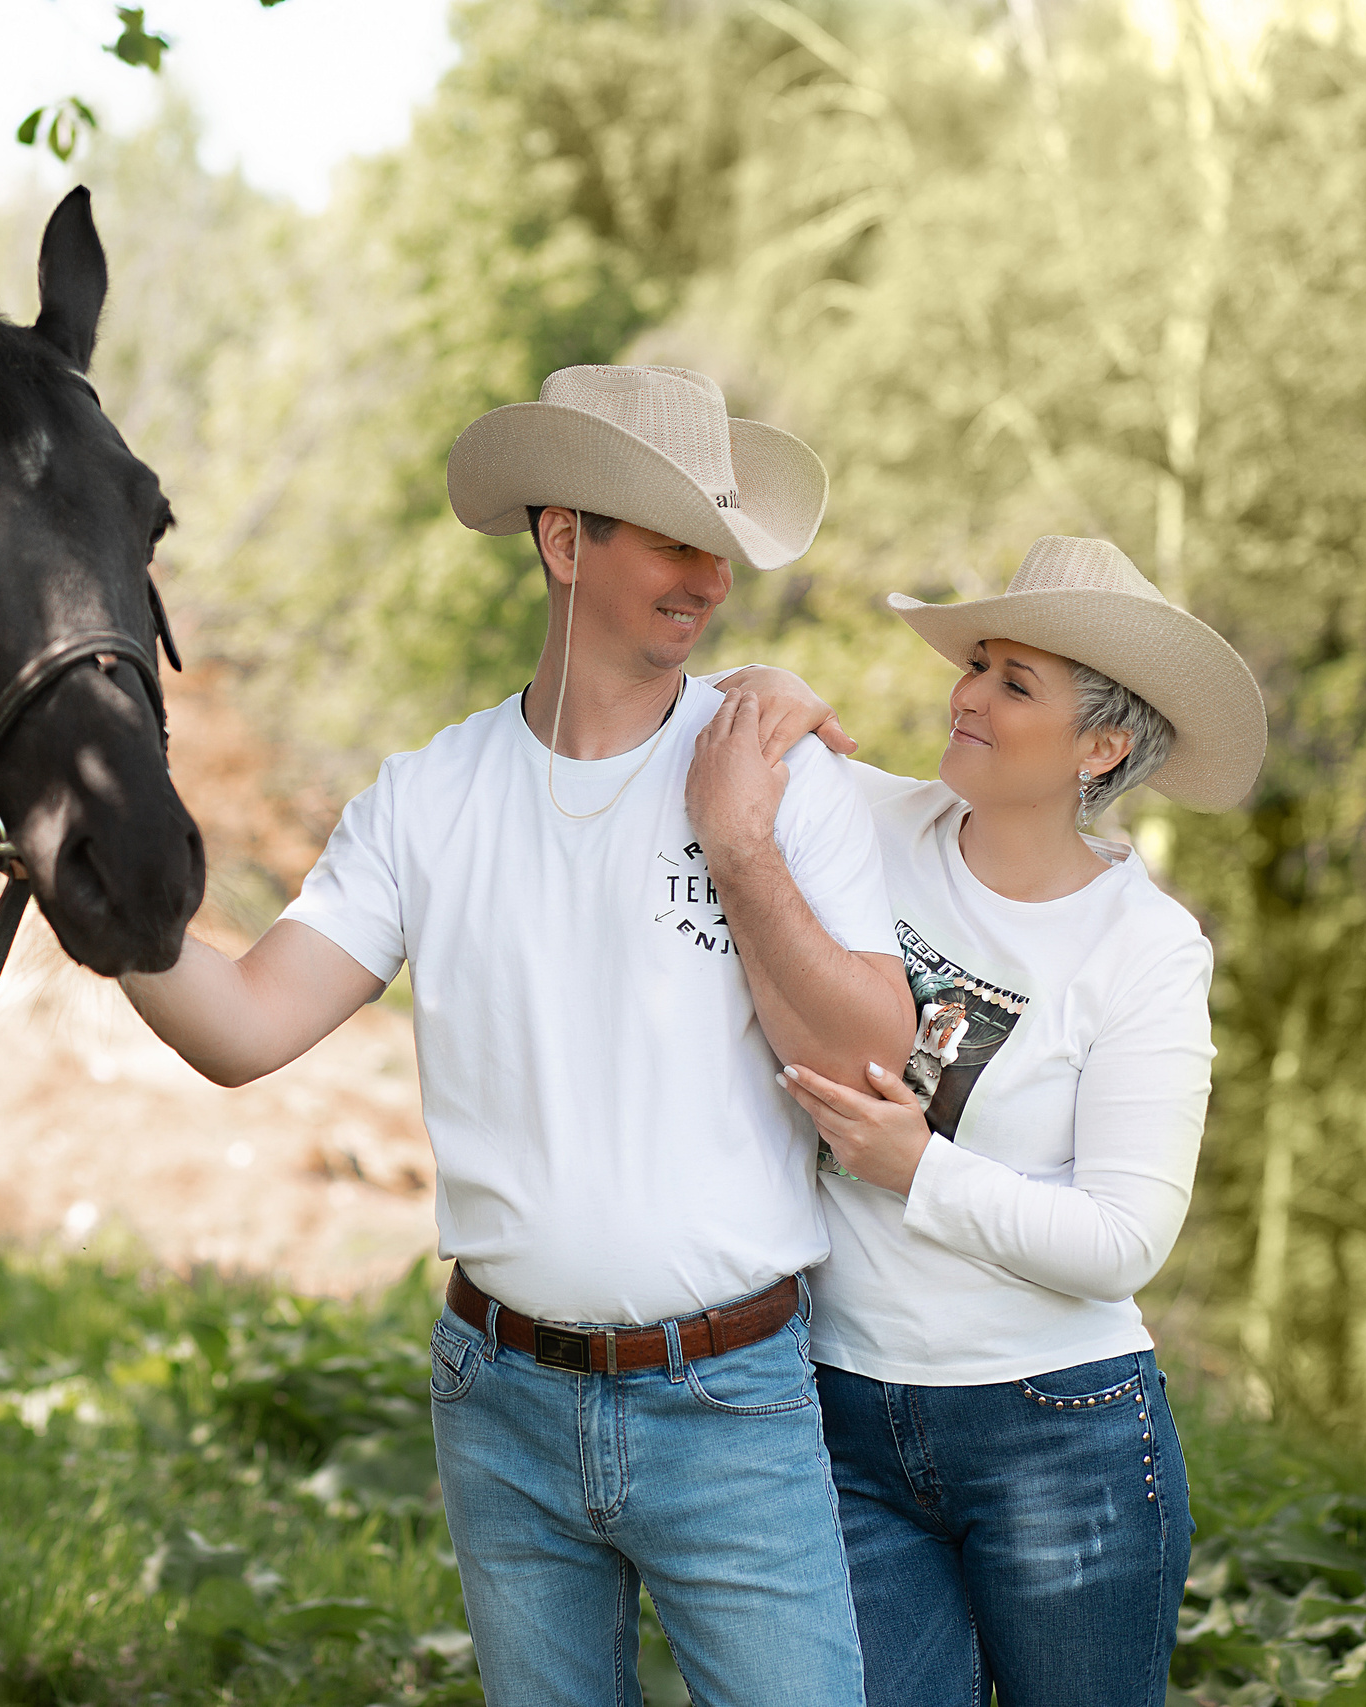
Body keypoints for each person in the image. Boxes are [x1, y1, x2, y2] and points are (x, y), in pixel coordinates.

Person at [116, 364, 915, 1705]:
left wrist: (740, 846)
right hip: (502, 1401)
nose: (707, 577)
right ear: (563, 539)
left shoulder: (775, 773)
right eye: (671, 537)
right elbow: (246, 1023)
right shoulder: (427, 799)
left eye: (717, 545)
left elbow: (868, 1056)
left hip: (731, 1401)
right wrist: (91, 895)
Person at [707, 535, 1268, 1707]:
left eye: (1015, 684)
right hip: (836, 1412)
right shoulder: (864, 821)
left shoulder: (1146, 949)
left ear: (1101, 746)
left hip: (1059, 1441)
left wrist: (918, 1170)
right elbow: (722, 718)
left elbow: (1125, 1242)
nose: (965, 695)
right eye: (977, 665)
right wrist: (777, 690)